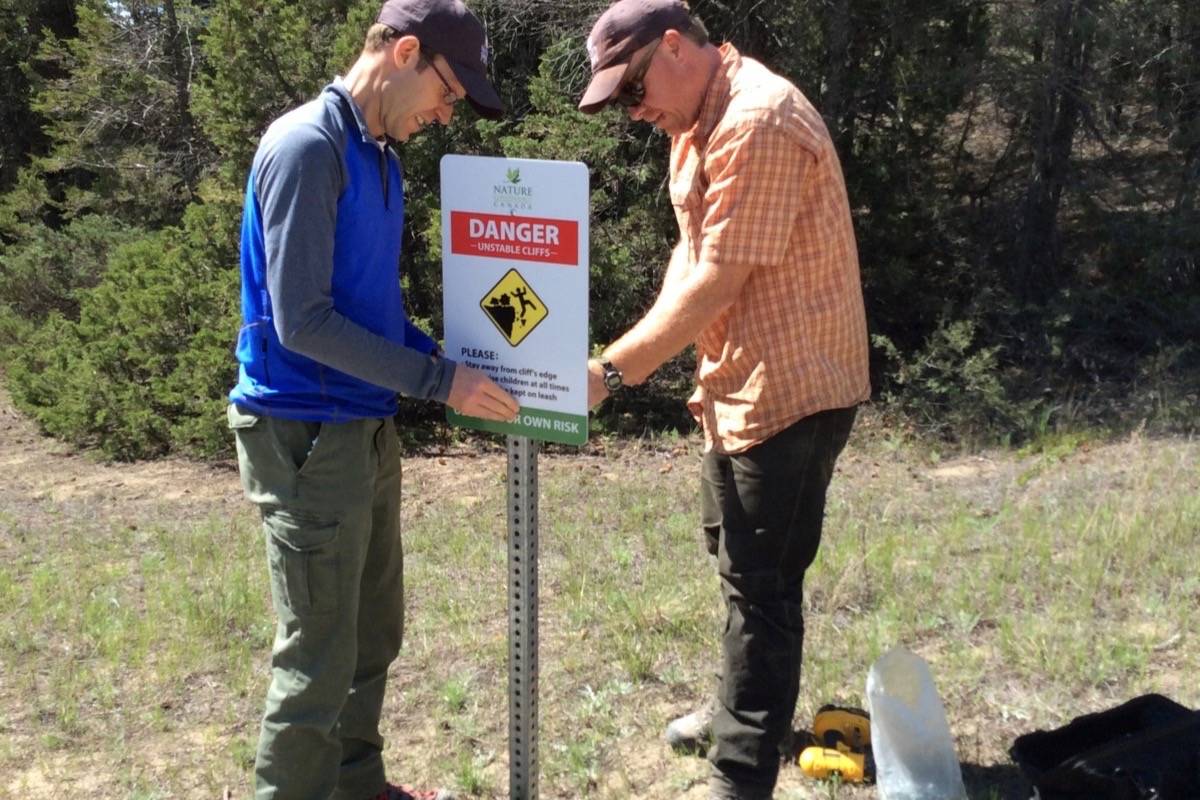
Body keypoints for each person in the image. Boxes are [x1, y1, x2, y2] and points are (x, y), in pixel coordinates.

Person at [577, 1, 871, 798]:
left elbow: (719, 279)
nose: (636, 112)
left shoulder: (757, 119)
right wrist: (621, 354)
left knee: (762, 582)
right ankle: (740, 711)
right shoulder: (694, 125)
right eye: (624, 102)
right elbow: (691, 252)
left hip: (794, 390)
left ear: (674, 46)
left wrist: (612, 368)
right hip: (738, 386)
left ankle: (740, 771)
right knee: (736, 556)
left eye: (634, 89)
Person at [226, 2, 519, 798]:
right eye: (448, 93)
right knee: (317, 655)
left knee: (370, 635)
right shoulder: (307, 148)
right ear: (405, 52)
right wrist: (437, 380)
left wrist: (440, 354)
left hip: (362, 427)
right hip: (307, 433)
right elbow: (304, 321)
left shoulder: (379, 156)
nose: (446, 114)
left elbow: (368, 307)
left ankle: (356, 788)